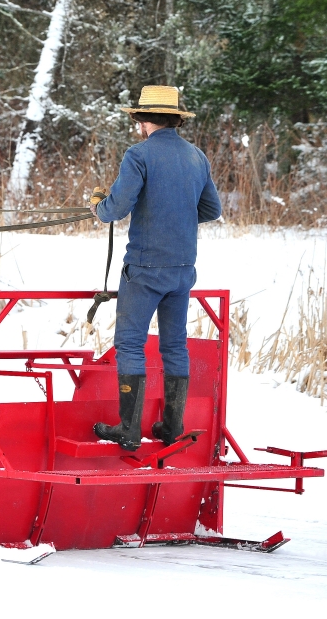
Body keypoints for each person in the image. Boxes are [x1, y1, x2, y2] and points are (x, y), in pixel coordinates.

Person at [90, 85, 222, 451]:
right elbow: (212, 210)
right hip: (182, 270)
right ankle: (171, 426)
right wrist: (177, 212)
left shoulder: (139, 154)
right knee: (174, 344)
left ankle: (129, 430)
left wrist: (98, 205)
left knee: (130, 343)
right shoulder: (197, 157)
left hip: (145, 269)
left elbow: (114, 210)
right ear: (176, 118)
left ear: (142, 119)